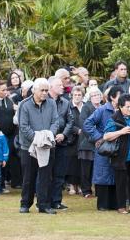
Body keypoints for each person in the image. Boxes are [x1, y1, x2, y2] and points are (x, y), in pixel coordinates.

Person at [17, 78, 61, 214]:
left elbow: (56, 122)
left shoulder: (52, 103)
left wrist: (48, 136)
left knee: (46, 176)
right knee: (28, 177)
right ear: (34, 90)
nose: (44, 93)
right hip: (28, 147)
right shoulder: (24, 105)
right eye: (42, 90)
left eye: (46, 90)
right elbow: (23, 127)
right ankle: (25, 204)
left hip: (47, 146)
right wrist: (37, 139)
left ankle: (44, 204)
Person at [47, 76, 75, 211]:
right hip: (46, 143)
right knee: (46, 173)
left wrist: (63, 134)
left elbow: (70, 121)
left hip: (62, 143)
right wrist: (51, 135)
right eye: (59, 85)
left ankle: (56, 201)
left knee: (59, 173)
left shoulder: (65, 102)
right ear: (51, 87)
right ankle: (45, 200)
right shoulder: (44, 100)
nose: (62, 87)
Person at [75, 87, 103, 199]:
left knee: (98, 168)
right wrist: (95, 138)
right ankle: (86, 191)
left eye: (98, 95)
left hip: (100, 142)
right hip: (87, 143)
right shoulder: (86, 107)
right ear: (89, 97)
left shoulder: (102, 107)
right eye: (94, 95)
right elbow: (84, 124)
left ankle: (98, 190)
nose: (96, 97)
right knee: (86, 169)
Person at [65, 86, 88, 196]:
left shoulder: (85, 107)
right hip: (72, 138)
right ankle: (71, 185)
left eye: (79, 95)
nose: (77, 97)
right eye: (75, 95)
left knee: (81, 162)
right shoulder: (68, 106)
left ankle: (79, 185)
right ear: (72, 95)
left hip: (84, 138)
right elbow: (67, 121)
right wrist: (76, 130)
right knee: (72, 162)